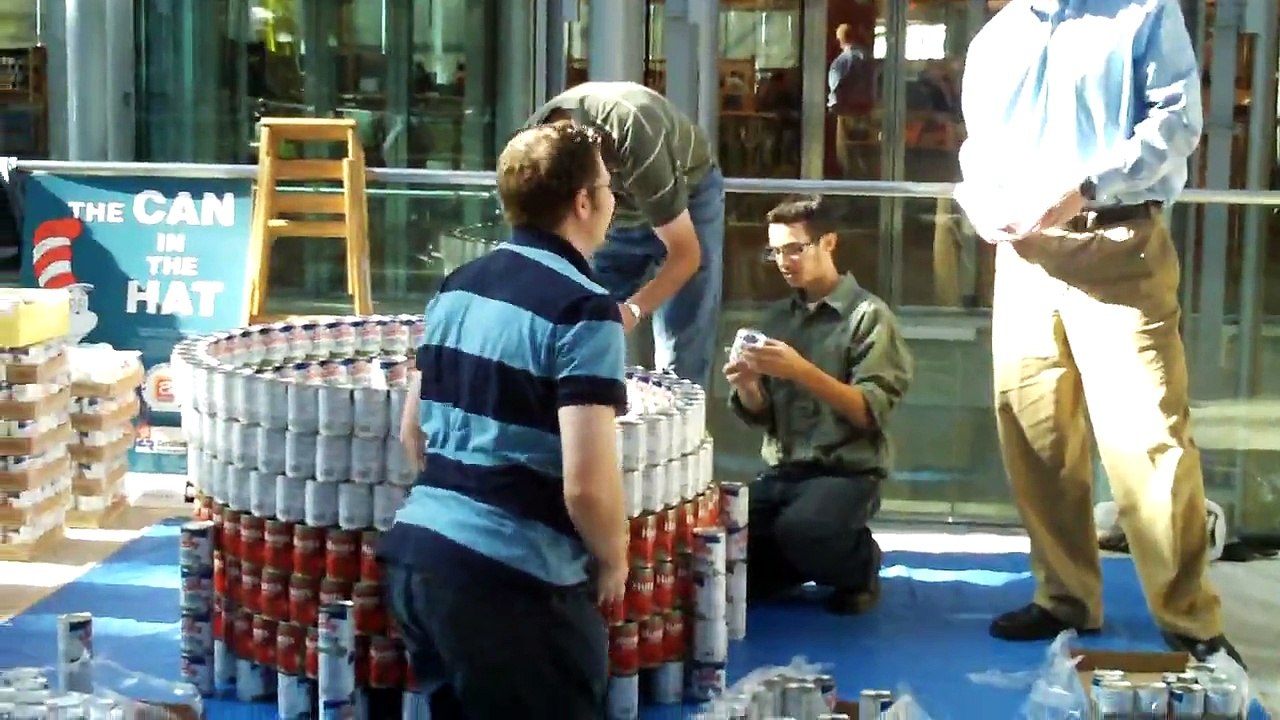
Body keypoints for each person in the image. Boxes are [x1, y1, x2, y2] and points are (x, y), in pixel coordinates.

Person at [955, 0, 1243, 664]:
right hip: (1024, 255)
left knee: (1150, 436)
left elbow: (1177, 122)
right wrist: (982, 201)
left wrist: (1085, 187)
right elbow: (978, 148)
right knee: (1035, 432)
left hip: (1118, 241)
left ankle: (1189, 615)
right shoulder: (997, 38)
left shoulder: (1143, 14)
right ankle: (1065, 597)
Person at [377, 121, 631, 717]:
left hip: (420, 564)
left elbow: (413, 432)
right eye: (609, 186)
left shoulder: (458, 286)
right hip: (510, 585)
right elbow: (587, 485)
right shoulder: (585, 309)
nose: (614, 200)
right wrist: (614, 558)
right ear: (584, 202)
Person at [725, 195, 913, 614]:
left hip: (845, 471)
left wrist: (801, 371)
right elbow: (762, 416)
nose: (784, 261)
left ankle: (861, 564)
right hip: (784, 470)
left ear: (828, 243)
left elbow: (869, 411)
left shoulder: (868, 317)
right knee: (720, 544)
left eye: (795, 248)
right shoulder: (778, 319)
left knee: (806, 529)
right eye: (775, 251)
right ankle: (793, 563)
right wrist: (750, 386)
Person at [527, 81, 724, 390]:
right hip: (619, 195)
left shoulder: (637, 136)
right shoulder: (533, 148)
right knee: (583, 327)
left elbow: (686, 254)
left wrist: (631, 311)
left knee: (683, 345)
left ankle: (677, 428)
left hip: (688, 192)